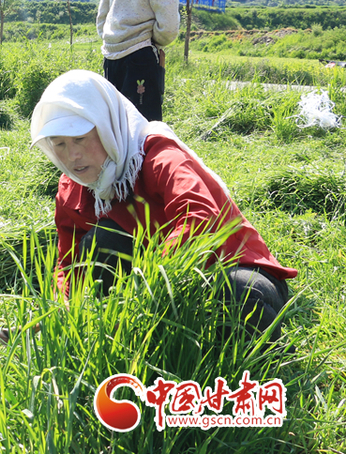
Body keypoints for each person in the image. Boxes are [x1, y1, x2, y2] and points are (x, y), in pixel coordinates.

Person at [31, 69, 297, 339]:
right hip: (164, 283)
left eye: (80, 139)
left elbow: (200, 215)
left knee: (237, 293)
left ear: (107, 126)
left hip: (229, 266)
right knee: (100, 241)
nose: (73, 156)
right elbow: (69, 262)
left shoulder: (158, 155)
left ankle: (259, 362)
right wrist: (56, 310)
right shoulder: (74, 186)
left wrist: (146, 283)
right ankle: (130, 337)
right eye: (60, 144)